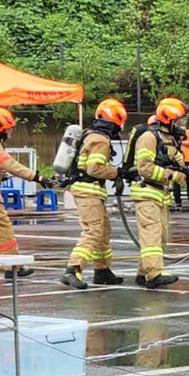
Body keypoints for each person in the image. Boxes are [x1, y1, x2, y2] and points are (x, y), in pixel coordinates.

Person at [0, 107, 52, 277]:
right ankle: (13, 266)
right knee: (2, 230)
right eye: (7, 129)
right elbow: (12, 166)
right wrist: (37, 178)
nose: (9, 132)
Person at [61, 98, 128, 290]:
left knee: (103, 230)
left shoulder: (91, 135)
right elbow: (94, 168)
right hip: (88, 189)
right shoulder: (100, 139)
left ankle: (102, 270)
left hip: (89, 189)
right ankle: (73, 269)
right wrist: (118, 173)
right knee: (94, 230)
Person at [130, 97, 189, 289]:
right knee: (152, 234)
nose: (183, 125)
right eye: (180, 121)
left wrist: (180, 167)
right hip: (147, 192)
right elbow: (144, 168)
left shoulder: (169, 139)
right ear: (168, 119)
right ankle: (154, 274)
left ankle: (143, 273)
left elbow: (175, 160)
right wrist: (171, 174)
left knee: (159, 236)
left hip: (161, 194)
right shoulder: (148, 137)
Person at [173, 122, 189, 211]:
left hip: (187, 160)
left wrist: (180, 142)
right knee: (176, 182)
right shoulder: (173, 133)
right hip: (176, 160)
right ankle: (177, 201)